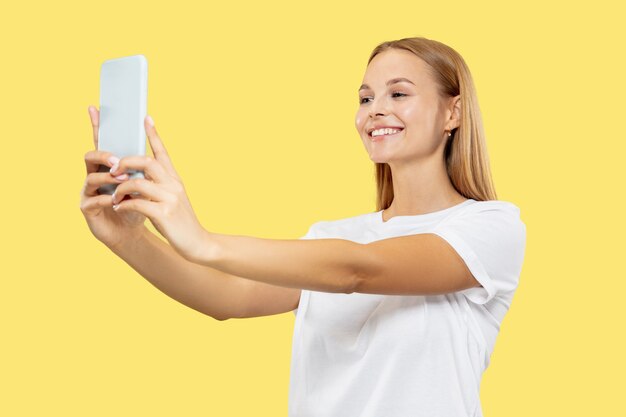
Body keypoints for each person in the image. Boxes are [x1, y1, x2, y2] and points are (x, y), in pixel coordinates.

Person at [80, 36, 527, 417]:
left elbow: (360, 271)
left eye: (398, 94)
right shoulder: (332, 238)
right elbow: (227, 296)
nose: (375, 110)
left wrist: (202, 240)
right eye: (365, 97)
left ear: (453, 113)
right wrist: (128, 238)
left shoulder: (489, 228)